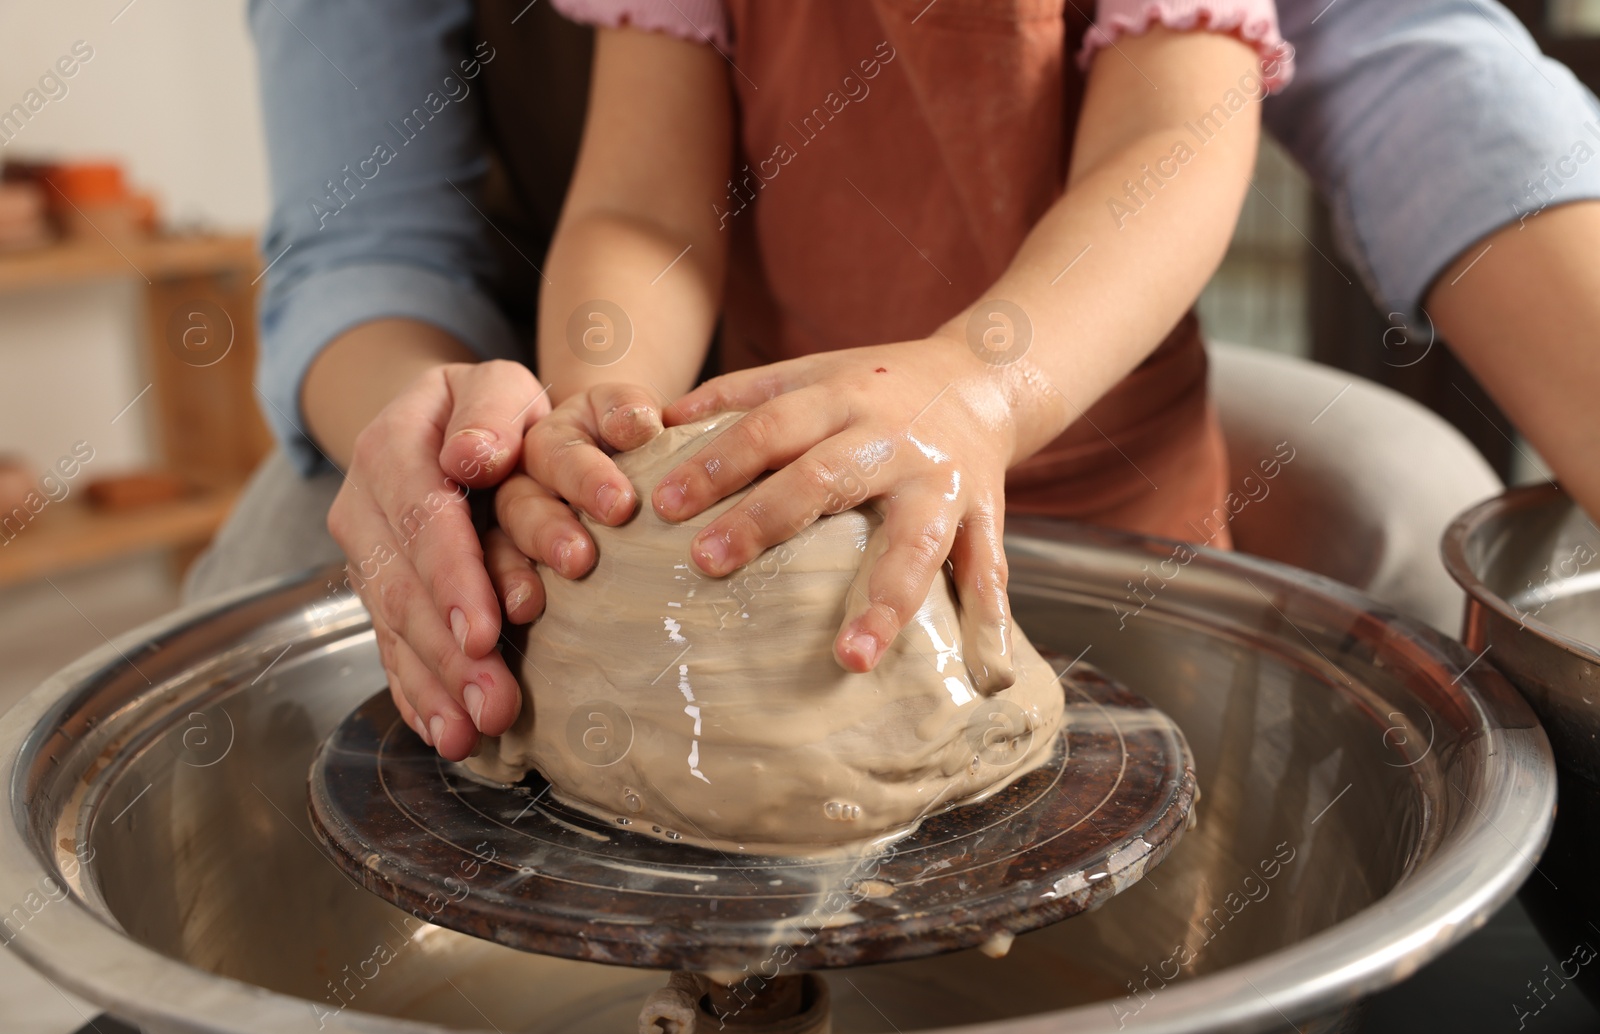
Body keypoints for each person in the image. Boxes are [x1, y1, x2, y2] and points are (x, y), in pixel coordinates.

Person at [201, 0, 1600, 759]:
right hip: (787, 460)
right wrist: (591, 418)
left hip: (1090, 460)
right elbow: (633, 207)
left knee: (1127, 783)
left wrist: (981, 390)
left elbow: (1178, 139)